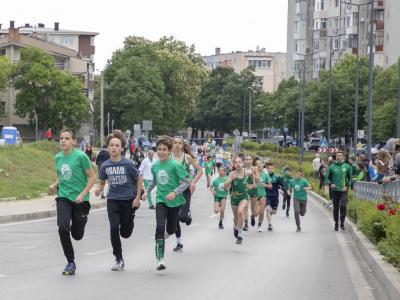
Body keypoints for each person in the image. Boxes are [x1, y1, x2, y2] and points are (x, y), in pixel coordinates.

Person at [49, 128, 96, 276]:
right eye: (61, 138)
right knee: (62, 228)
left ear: (73, 141)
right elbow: (61, 176)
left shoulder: (81, 156)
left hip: (80, 201)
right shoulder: (58, 157)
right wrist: (55, 185)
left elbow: (93, 177)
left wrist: (83, 194)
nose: (63, 141)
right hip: (63, 197)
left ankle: (82, 220)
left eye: (67, 138)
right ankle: (70, 262)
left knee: (77, 235)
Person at [95, 130, 142, 271]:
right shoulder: (105, 166)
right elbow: (102, 181)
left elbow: (139, 178)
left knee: (125, 233)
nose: (114, 147)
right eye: (111, 145)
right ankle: (119, 258)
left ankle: (130, 220)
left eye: (117, 145)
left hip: (128, 200)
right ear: (108, 147)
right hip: (113, 200)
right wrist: (99, 189)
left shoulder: (128, 164)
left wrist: (138, 197)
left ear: (122, 148)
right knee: (114, 228)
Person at [144, 136, 190, 270]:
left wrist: (175, 192)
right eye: (159, 149)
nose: (161, 152)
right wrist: (147, 192)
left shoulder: (175, 165)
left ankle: (167, 235)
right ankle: (160, 259)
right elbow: (154, 181)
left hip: (175, 202)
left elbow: (187, 181)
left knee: (170, 229)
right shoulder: (155, 165)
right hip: (161, 200)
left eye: (164, 149)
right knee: (159, 226)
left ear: (169, 150)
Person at [171, 137, 203, 252]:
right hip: (172, 191)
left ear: (183, 145)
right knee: (174, 218)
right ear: (172, 145)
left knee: (183, 218)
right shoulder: (168, 157)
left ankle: (187, 213)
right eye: (175, 143)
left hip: (185, 190)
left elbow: (200, 170)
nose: (177, 145)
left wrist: (193, 181)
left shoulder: (187, 157)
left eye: (180, 143)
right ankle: (179, 243)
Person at [224, 156, 250, 244]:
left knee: (240, 212)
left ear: (242, 163)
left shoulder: (247, 173)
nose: (238, 163)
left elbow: (254, 178)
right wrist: (231, 179)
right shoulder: (232, 174)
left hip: (244, 197)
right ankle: (235, 227)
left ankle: (240, 235)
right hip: (234, 198)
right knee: (236, 217)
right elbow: (225, 187)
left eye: (239, 162)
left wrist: (253, 185)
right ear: (234, 164)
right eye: (236, 162)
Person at [325, 151, 352, 231]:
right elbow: (327, 177)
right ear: (335, 157)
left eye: (340, 156)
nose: (338, 157)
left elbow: (350, 178)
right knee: (335, 208)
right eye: (337, 156)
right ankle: (336, 223)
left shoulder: (347, 166)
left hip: (343, 190)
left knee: (343, 206)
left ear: (343, 157)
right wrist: (331, 184)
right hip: (335, 190)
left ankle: (342, 223)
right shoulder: (331, 166)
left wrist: (347, 186)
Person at [254, 158, 272, 232]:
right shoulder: (253, 173)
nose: (259, 165)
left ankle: (259, 225)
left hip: (262, 194)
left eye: (260, 164)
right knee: (256, 213)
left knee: (261, 212)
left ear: (263, 165)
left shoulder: (266, 175)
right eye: (257, 164)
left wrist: (265, 185)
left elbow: (270, 186)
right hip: (254, 194)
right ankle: (253, 216)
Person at [265, 161, 283, 231]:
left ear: (274, 169)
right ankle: (270, 224)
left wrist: (282, 190)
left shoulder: (277, 177)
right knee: (267, 209)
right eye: (269, 168)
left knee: (274, 212)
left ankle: (270, 214)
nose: (271, 169)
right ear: (267, 169)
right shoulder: (264, 176)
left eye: (272, 168)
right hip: (267, 195)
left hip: (275, 196)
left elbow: (282, 185)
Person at [210, 165, 228, 229]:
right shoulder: (215, 180)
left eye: (223, 171)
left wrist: (228, 188)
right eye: (220, 170)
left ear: (224, 172)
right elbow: (211, 187)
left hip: (224, 196)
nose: (221, 172)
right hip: (217, 196)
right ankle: (219, 205)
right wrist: (213, 192)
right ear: (218, 171)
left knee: (222, 210)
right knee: (216, 211)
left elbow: (230, 186)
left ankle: (220, 222)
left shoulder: (227, 179)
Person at [244, 155, 257, 230]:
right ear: (244, 161)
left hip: (254, 190)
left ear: (252, 160)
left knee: (254, 211)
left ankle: (252, 216)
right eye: (246, 159)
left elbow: (259, 179)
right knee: (245, 206)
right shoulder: (243, 169)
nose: (248, 161)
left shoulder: (255, 168)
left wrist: (252, 174)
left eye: (249, 159)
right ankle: (246, 224)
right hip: (246, 190)